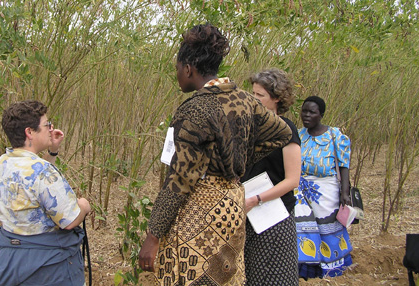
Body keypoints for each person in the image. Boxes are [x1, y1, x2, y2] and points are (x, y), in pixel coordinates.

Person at [138, 24, 293, 285]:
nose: (177, 75)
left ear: (188, 68)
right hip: (232, 204)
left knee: (190, 275)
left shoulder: (195, 110)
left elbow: (180, 180)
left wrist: (153, 237)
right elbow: (282, 132)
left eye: (178, 68)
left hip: (202, 208)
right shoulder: (245, 100)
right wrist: (237, 160)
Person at [0, 100, 91, 286]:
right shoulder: (42, 171)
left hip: (10, 260)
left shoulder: (3, 162)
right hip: (47, 267)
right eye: (46, 126)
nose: (51, 130)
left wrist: (53, 150)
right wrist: (83, 206)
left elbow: (32, 178)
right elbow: (69, 221)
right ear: (29, 132)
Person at [240, 68, 301, 285]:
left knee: (276, 276)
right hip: (248, 214)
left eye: (260, 96)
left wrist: (257, 200)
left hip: (275, 216)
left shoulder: (286, 130)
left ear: (276, 98)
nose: (253, 99)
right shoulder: (248, 128)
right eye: (253, 94)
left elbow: (292, 180)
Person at [295, 96, 353, 279]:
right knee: (305, 229)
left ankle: (332, 266)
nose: (307, 115)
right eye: (304, 111)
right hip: (302, 190)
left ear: (321, 115)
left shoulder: (335, 136)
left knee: (327, 228)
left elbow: (344, 165)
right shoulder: (298, 135)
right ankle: (306, 268)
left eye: (312, 112)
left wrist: (344, 192)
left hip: (326, 189)